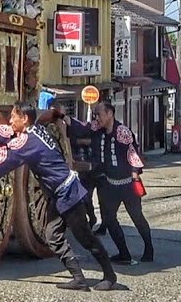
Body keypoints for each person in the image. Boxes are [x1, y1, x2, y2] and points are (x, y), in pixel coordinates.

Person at [0, 103, 117, 291]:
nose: (10, 120)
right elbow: (7, 132)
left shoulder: (27, 142)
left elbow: (2, 156)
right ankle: (79, 279)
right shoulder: (36, 130)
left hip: (68, 192)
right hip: (58, 193)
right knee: (53, 236)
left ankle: (109, 276)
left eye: (14, 117)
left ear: (24, 118)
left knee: (85, 238)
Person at [68, 102, 153, 263]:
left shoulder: (122, 131)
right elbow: (82, 127)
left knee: (137, 217)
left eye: (99, 115)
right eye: (95, 115)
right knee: (109, 219)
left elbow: (133, 153)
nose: (97, 118)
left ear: (110, 114)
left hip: (127, 183)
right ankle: (124, 253)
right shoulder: (97, 129)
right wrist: (65, 119)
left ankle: (149, 249)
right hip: (110, 183)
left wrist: (135, 174)